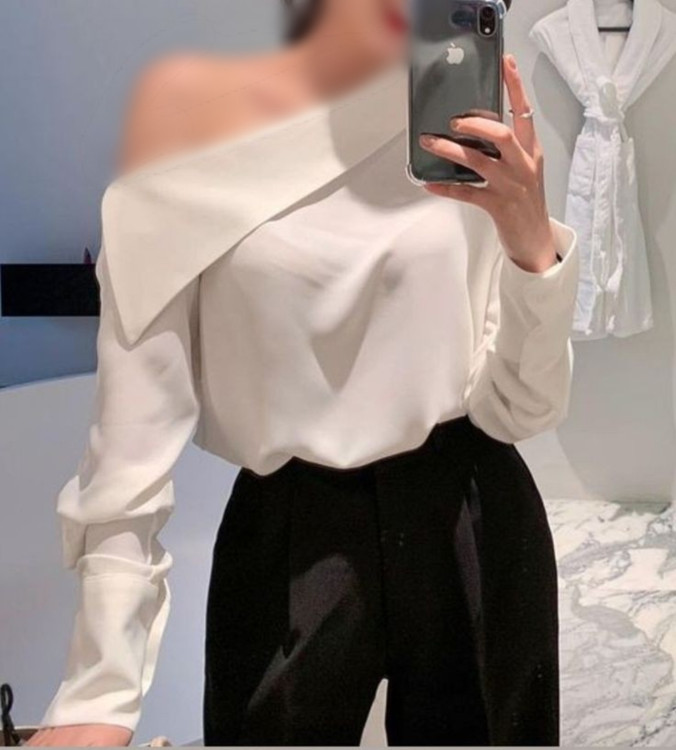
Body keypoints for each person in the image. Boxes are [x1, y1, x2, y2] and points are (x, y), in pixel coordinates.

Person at [29, 0, 579, 746]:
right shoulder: (189, 140)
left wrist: (531, 245)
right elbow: (127, 454)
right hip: (288, 535)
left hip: (473, 514)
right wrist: (100, 692)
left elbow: (523, 409)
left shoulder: (456, 105)